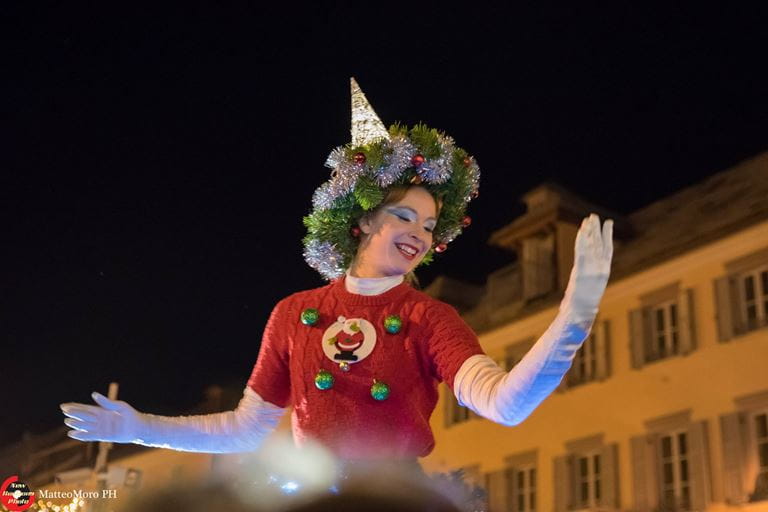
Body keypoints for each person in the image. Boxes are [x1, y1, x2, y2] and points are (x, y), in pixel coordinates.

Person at [60, 77, 613, 477]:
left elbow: (505, 404)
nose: (419, 233)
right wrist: (135, 429)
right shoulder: (293, 313)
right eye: (403, 215)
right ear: (361, 219)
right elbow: (244, 429)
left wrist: (576, 314)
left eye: (428, 224)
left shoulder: (428, 317)